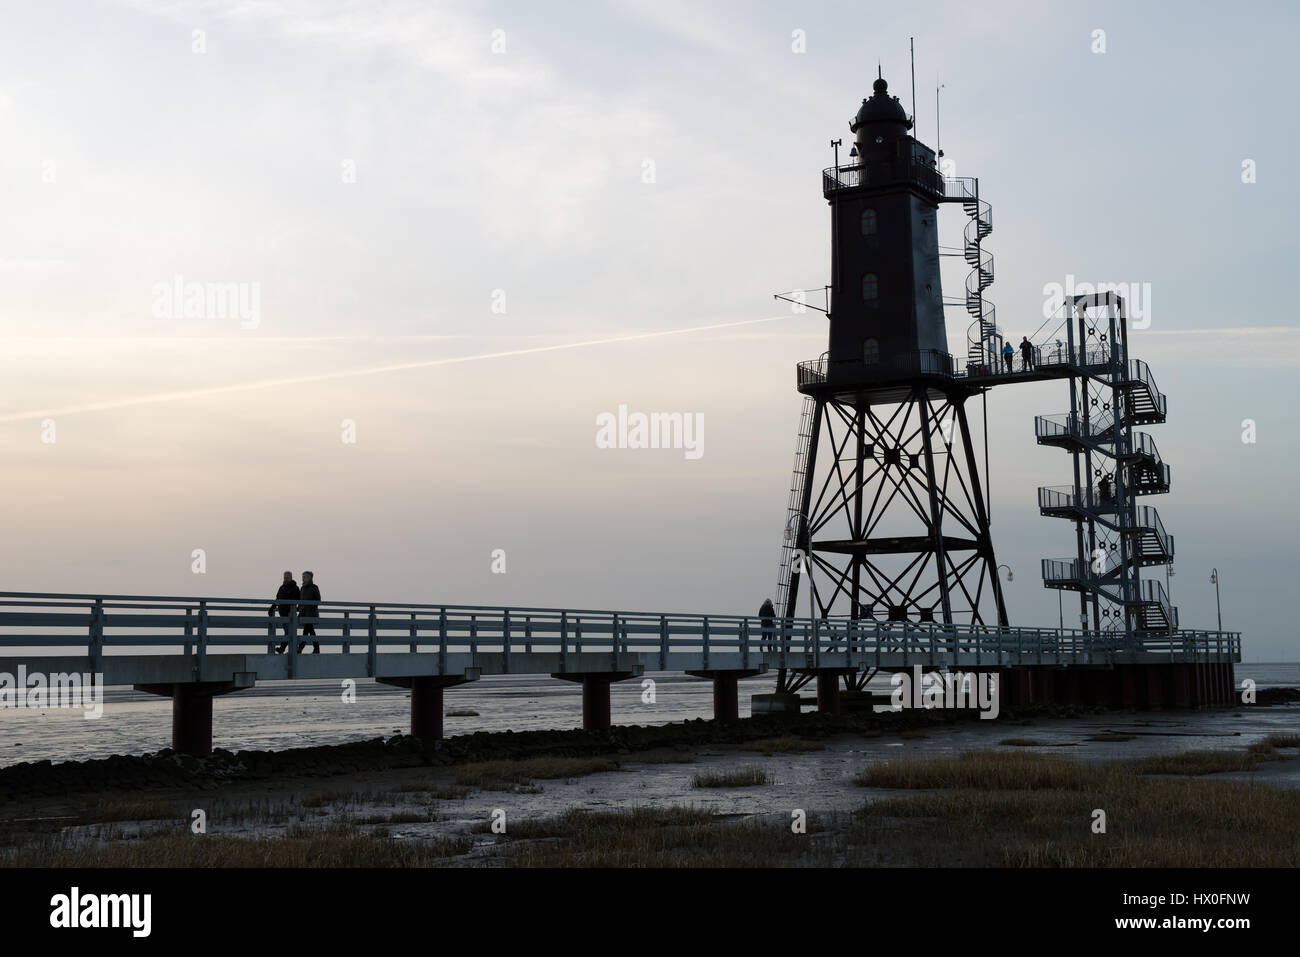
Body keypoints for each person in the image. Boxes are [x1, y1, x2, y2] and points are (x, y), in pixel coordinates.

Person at [269, 571, 299, 654]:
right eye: (284, 577)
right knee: (289, 632)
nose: (285, 579)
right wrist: (272, 607)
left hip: (290, 614)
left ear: (291, 578)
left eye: (287, 577)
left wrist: (296, 609)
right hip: (282, 613)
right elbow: (277, 598)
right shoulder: (281, 587)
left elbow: (297, 599)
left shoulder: (295, 588)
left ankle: (283, 648)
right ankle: (294, 649)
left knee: (289, 632)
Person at [299, 571, 321, 654]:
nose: (303, 578)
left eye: (305, 577)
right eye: (303, 576)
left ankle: (301, 647)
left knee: (307, 631)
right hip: (304, 613)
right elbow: (300, 600)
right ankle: (316, 648)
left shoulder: (314, 587)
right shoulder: (302, 588)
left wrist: (311, 606)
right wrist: (299, 608)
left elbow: (318, 599)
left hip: (311, 613)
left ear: (310, 578)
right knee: (311, 631)